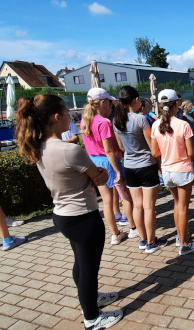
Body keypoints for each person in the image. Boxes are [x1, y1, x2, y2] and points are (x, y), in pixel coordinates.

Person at [15, 94, 123, 328]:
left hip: (63, 215)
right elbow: (100, 177)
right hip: (83, 216)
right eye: (66, 114)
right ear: (57, 117)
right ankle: (92, 318)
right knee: (88, 269)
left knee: (81, 264)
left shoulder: (39, 145)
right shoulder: (69, 150)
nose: (70, 118)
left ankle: (91, 300)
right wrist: (100, 176)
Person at [150, 89, 194, 255]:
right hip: (182, 170)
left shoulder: (155, 124)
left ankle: (180, 237)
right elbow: (191, 152)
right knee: (183, 207)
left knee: (177, 204)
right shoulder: (183, 124)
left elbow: (154, 153)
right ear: (176, 104)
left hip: (167, 171)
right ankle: (185, 244)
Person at [113, 86, 164, 253]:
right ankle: (151, 242)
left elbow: (121, 147)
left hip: (129, 166)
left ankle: (143, 240)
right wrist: (160, 164)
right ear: (135, 100)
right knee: (149, 206)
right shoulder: (140, 119)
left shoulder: (116, 121)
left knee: (137, 206)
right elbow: (153, 147)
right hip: (146, 165)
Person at [80, 88, 130, 245]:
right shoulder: (103, 122)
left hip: (94, 161)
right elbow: (108, 150)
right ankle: (127, 229)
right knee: (121, 195)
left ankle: (114, 233)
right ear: (102, 102)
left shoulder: (85, 120)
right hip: (107, 162)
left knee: (106, 200)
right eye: (108, 102)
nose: (110, 105)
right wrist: (116, 170)